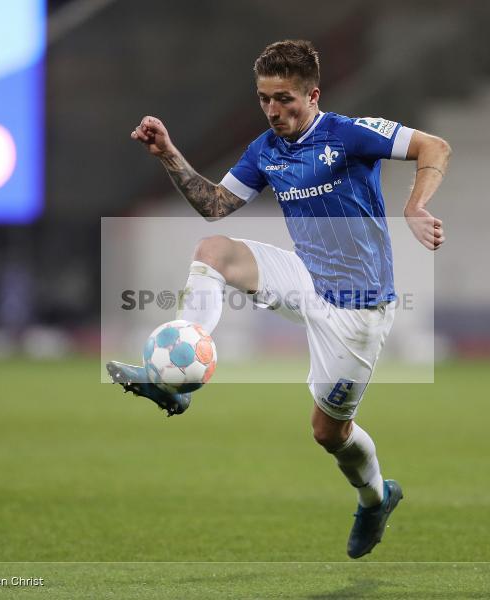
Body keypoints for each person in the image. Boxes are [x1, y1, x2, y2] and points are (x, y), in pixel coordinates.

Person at [107, 40, 450, 559]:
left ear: (312, 95)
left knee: (328, 434)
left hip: (357, 310)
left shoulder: (348, 133)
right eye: (265, 98)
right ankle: (177, 380)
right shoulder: (265, 149)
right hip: (306, 276)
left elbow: (435, 147)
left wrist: (415, 206)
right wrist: (169, 155)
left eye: (284, 98)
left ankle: (376, 497)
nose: (273, 110)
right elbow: (216, 206)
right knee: (213, 251)